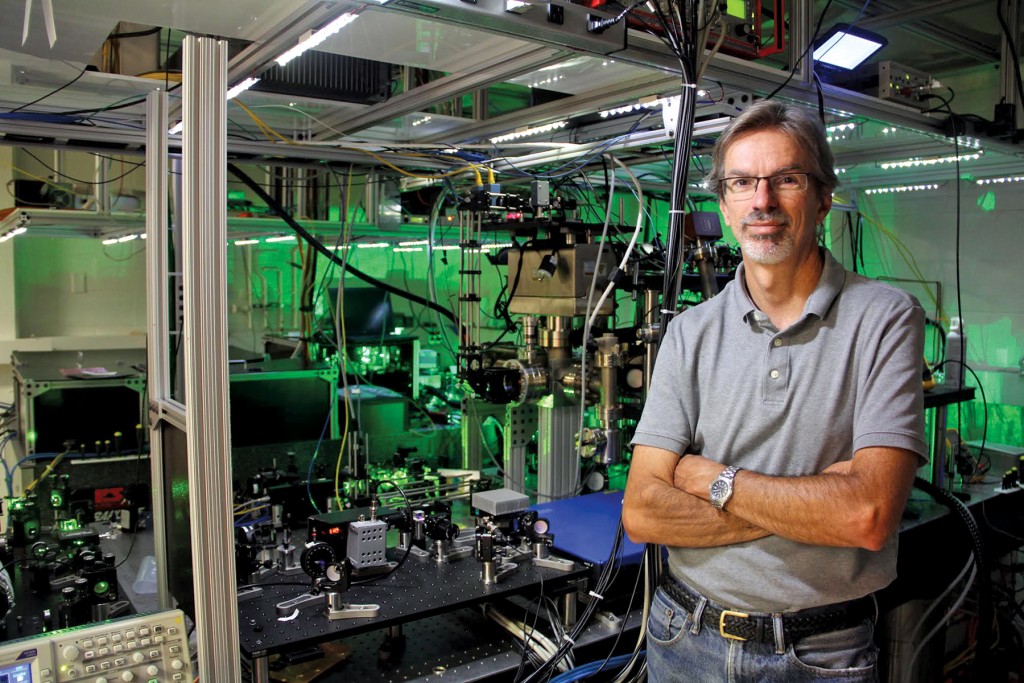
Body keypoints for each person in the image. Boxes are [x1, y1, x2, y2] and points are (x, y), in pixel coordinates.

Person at [622, 99, 926, 681]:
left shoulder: (886, 318)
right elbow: (641, 512)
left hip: (818, 653)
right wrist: (815, 502)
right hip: (683, 636)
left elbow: (866, 515)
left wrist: (707, 477)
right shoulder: (689, 331)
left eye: (785, 179)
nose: (762, 201)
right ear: (725, 206)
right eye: (742, 182)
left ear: (822, 197)